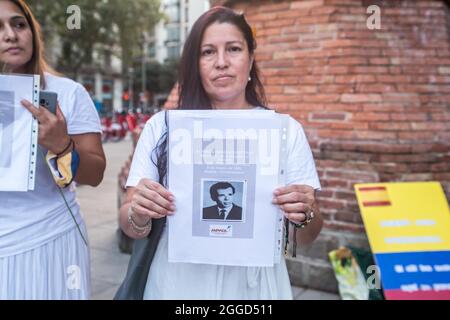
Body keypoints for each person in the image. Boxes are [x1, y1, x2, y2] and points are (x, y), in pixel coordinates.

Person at [117, 6, 322, 299]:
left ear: (251, 59)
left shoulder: (285, 131)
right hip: (177, 282)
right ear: (194, 64)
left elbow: (307, 236)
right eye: (208, 52)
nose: (222, 62)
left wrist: (304, 213)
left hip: (253, 286)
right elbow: (129, 222)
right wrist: (140, 211)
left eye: (234, 49)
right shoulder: (162, 127)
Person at [0, 0, 106, 299]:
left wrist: (63, 145)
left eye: (19, 24)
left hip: (53, 237)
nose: (11, 34)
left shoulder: (68, 93)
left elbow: (96, 173)